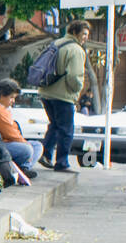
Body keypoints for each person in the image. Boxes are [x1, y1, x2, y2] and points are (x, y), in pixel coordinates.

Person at [37, 19, 88, 172]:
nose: (85, 37)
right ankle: (62, 162)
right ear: (75, 32)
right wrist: (77, 91)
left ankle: (45, 154)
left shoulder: (56, 43)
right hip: (63, 95)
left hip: (46, 92)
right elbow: (74, 76)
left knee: (54, 125)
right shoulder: (76, 50)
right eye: (84, 34)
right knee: (66, 130)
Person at [0, 77, 41, 177]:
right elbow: (11, 134)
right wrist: (26, 144)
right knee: (27, 150)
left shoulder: (1, 107)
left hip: (4, 142)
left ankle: (24, 167)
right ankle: (23, 168)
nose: (13, 101)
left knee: (37, 146)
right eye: (11, 97)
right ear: (2, 95)